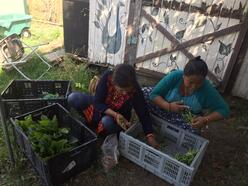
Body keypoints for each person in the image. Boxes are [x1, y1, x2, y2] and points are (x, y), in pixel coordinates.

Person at [68, 64, 158, 147]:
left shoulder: (135, 90)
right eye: (121, 90)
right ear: (114, 83)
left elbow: (143, 112)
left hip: (117, 119)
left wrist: (149, 135)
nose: (125, 93)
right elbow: (97, 102)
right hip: (102, 109)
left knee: (107, 122)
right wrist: (115, 114)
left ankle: (104, 132)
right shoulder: (107, 77)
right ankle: (92, 124)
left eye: (127, 90)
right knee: (73, 98)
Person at [142, 56, 229, 133]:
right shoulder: (175, 76)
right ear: (184, 76)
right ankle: (154, 120)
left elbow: (224, 110)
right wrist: (168, 106)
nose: (194, 86)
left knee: (192, 130)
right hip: (163, 106)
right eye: (191, 82)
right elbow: (154, 94)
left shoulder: (207, 89)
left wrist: (205, 119)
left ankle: (159, 122)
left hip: (182, 119)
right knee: (143, 93)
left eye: (199, 83)